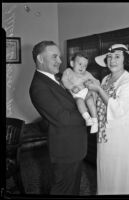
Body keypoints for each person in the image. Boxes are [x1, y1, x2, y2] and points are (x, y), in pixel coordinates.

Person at [29, 41, 88, 195]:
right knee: (63, 190)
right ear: (40, 59)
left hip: (75, 147)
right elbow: (64, 119)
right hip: (65, 152)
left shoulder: (58, 78)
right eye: (54, 57)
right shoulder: (38, 87)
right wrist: (89, 113)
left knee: (73, 189)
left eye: (60, 57)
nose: (60, 61)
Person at [85, 44, 129, 194]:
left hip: (121, 138)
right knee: (106, 173)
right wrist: (90, 94)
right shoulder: (105, 79)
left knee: (120, 177)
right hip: (104, 135)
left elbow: (119, 109)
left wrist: (98, 90)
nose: (112, 60)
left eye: (117, 57)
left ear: (125, 60)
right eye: (109, 57)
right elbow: (99, 105)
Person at [61, 52, 100, 134]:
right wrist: (71, 87)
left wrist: (91, 81)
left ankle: (95, 121)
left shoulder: (87, 74)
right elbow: (64, 80)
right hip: (76, 95)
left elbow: (96, 81)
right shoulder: (68, 71)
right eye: (80, 64)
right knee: (79, 101)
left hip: (86, 93)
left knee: (90, 101)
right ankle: (87, 118)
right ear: (72, 63)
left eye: (85, 65)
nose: (82, 67)